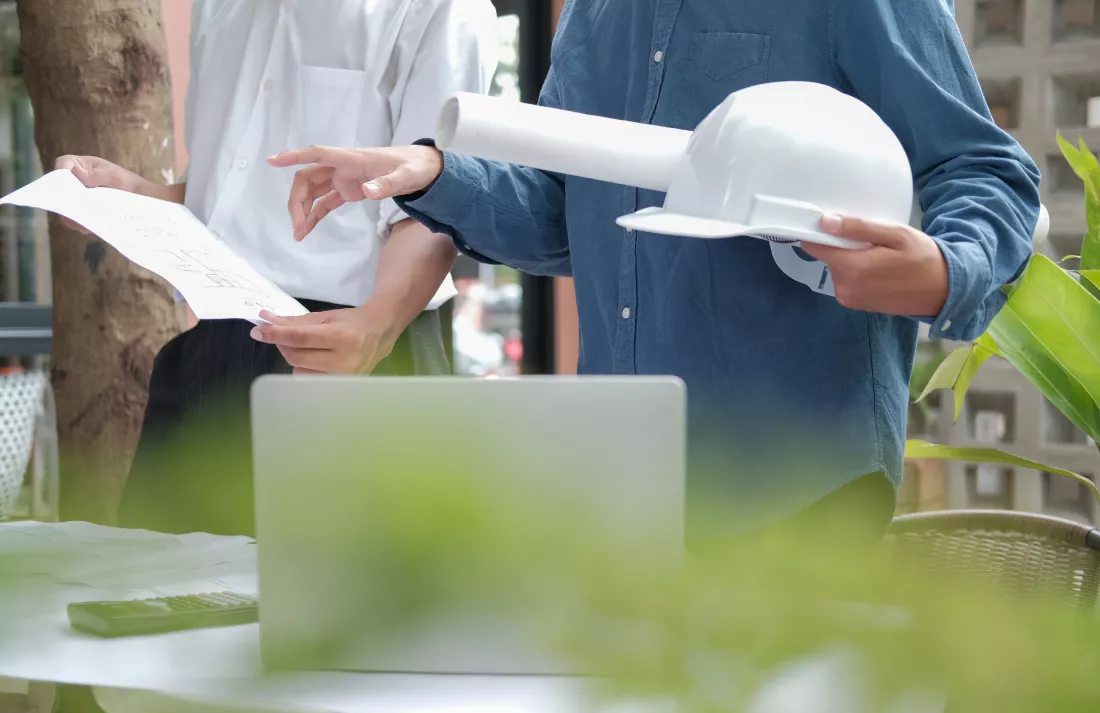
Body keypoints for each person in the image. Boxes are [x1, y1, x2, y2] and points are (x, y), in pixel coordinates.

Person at [255, 0, 1041, 550]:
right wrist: (430, 174)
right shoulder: (594, 12)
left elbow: (981, 166)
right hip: (620, 475)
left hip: (794, 482)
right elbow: (565, 214)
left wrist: (949, 268)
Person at [55, 0, 498, 536]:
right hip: (211, 354)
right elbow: (228, 197)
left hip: (357, 354)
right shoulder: (219, 8)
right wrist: (134, 194)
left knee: (344, 584)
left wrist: (377, 326)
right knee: (156, 578)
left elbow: (436, 204)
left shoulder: (441, 8)